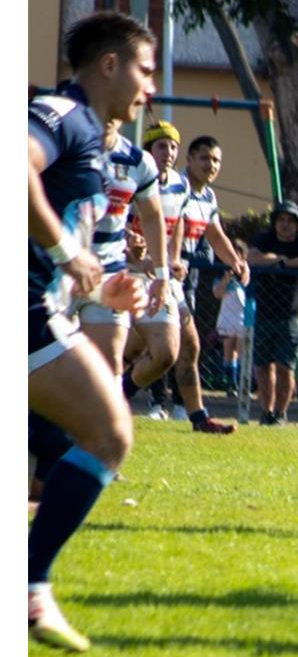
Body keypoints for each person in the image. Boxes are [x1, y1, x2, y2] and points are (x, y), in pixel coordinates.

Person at [28, 10, 156, 651]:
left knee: (77, 444)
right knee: (107, 433)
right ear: (109, 65)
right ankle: (28, 590)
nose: (149, 87)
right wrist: (62, 249)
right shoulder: (63, 114)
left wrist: (100, 284)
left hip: (41, 310)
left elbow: (65, 243)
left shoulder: (93, 135)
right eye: (144, 69)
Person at [145, 133, 247, 432]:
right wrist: (171, 260)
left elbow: (214, 234)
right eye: (204, 158)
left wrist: (235, 261)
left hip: (176, 276)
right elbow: (172, 225)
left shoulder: (208, 196)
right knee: (155, 348)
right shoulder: (178, 186)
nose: (211, 165)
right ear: (189, 160)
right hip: (156, 274)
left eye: (216, 160)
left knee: (186, 347)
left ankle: (192, 414)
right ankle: (147, 402)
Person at [74, 119, 168, 375]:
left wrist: (161, 274)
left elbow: (151, 215)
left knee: (108, 369)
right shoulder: (60, 146)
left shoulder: (138, 160)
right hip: (57, 275)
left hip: (109, 277)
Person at [121, 120, 189, 419]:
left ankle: (120, 393)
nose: (169, 152)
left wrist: (172, 260)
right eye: (162, 145)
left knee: (166, 353)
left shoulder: (180, 184)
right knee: (108, 351)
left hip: (156, 277)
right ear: (149, 149)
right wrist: (132, 250)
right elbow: (112, 221)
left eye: (174, 146)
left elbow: (174, 224)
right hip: (118, 274)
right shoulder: (128, 176)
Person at [247, 199, 298, 425]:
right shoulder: (264, 238)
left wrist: (287, 264)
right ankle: (266, 412)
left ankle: (280, 413)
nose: (286, 225)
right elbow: (251, 257)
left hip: (291, 315)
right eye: (282, 220)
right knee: (262, 365)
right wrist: (276, 259)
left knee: (284, 367)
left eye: (291, 221)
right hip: (264, 313)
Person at [212, 238, 248, 397]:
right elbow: (217, 293)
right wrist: (227, 279)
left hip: (242, 315)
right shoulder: (221, 275)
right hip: (227, 314)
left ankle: (243, 384)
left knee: (241, 350)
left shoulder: (246, 272)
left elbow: (246, 283)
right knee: (228, 349)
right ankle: (230, 384)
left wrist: (242, 270)